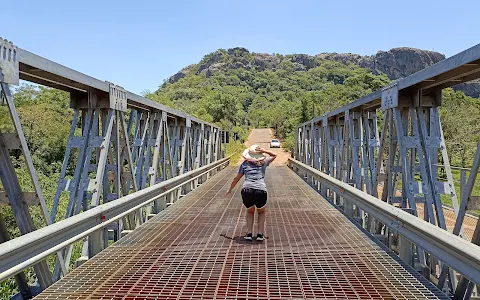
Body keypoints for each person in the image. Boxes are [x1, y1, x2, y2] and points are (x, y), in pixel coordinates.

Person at [225, 144, 277, 241]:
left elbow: (236, 178)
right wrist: (264, 150)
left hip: (247, 190)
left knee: (250, 211)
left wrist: (230, 189)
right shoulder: (264, 162)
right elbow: (275, 155)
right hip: (261, 190)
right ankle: (260, 235)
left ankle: (249, 234)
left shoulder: (244, 164)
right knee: (261, 212)